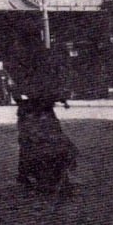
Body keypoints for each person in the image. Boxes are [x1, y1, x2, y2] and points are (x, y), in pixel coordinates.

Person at [13, 47, 78, 194]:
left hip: (41, 113)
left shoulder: (43, 75)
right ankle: (36, 177)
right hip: (32, 115)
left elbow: (51, 91)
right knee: (36, 145)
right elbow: (21, 93)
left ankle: (56, 179)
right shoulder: (29, 75)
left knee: (51, 144)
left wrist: (60, 98)